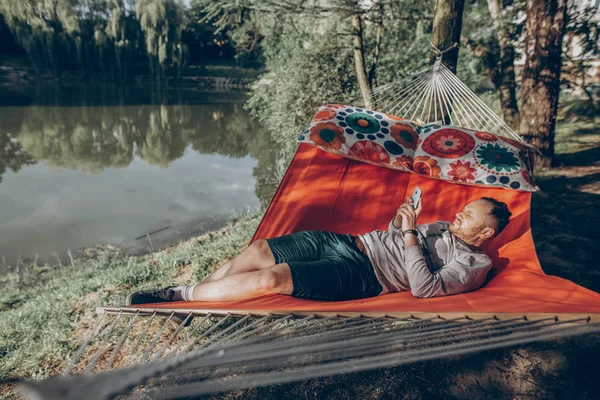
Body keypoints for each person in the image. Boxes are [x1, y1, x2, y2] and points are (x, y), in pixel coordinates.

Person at [126, 195, 511, 305]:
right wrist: (401, 221)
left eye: (468, 215)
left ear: (488, 231)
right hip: (349, 243)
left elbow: (423, 288)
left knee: (271, 279)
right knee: (260, 249)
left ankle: (177, 297)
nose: (457, 215)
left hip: (363, 275)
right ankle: (194, 297)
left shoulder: (474, 263)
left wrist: (410, 235)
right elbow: (399, 235)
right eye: (462, 209)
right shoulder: (443, 226)